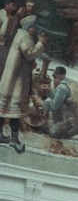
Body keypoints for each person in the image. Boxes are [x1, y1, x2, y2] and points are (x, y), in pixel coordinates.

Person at [0, 16, 47, 152]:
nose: (35, 30)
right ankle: (14, 141)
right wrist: (41, 44)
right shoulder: (25, 37)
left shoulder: (20, 34)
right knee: (15, 111)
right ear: (30, 27)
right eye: (34, 27)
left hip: (11, 78)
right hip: (16, 81)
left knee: (4, 107)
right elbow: (30, 53)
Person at [40, 65, 78, 140]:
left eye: (54, 77)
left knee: (53, 132)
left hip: (72, 118)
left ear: (58, 77)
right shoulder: (70, 82)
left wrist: (41, 103)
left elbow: (54, 106)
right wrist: (49, 91)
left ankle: (76, 130)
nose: (54, 80)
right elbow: (60, 98)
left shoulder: (62, 87)